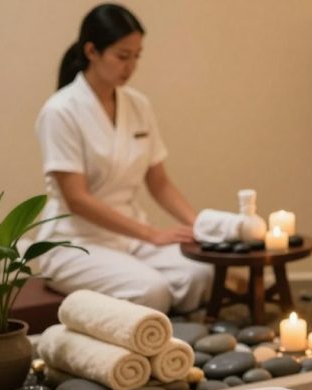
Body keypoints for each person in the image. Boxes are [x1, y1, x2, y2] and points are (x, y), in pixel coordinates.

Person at [34, 3, 211, 314]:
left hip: (128, 236)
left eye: (137, 56)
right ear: (91, 51)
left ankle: (178, 337)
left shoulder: (138, 105)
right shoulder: (60, 111)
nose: (130, 66)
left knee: (200, 274)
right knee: (150, 291)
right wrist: (153, 235)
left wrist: (201, 227)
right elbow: (77, 199)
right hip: (75, 241)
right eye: (122, 56)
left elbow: (159, 182)